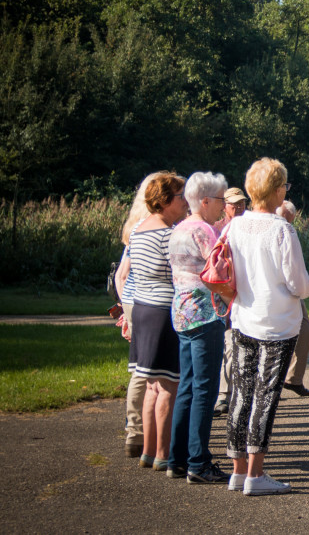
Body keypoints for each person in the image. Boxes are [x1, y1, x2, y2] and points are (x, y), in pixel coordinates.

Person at [225, 158, 309, 496]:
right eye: (285, 187)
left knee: (241, 392)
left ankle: (238, 470)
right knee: (265, 395)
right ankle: (256, 474)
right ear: (277, 190)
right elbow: (299, 284)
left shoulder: (235, 226)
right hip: (277, 323)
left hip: (243, 317)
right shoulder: (281, 229)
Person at [166, 172, 230, 483]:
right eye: (220, 200)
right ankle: (198, 461)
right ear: (204, 201)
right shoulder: (205, 231)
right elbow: (218, 273)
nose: (223, 206)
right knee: (205, 390)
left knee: (188, 387)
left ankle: (176, 458)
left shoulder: (178, 229)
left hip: (181, 313)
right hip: (205, 315)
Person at [128, 172, 189, 471]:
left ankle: (149, 451)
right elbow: (182, 272)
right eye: (181, 196)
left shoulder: (139, 229)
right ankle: (164, 452)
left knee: (152, 385)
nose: (185, 201)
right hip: (163, 311)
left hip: (142, 308)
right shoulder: (168, 234)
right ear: (165, 201)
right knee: (167, 386)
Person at [114, 172, 166, 457]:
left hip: (135, 301)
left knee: (140, 368)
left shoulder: (135, 228)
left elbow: (121, 276)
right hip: (148, 302)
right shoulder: (154, 229)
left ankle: (136, 431)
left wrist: (127, 308)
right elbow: (123, 274)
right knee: (149, 370)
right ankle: (138, 432)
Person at [215, 187, 248, 416]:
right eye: (233, 204)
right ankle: (221, 395)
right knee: (225, 345)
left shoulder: (249, 229)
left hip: (242, 294)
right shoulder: (216, 229)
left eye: (241, 203)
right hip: (220, 295)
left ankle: (228, 395)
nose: (238, 208)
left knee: (234, 346)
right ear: (224, 205)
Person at [276, 200, 309, 398]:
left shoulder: (289, 231)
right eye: (286, 219)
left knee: (305, 330)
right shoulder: (273, 229)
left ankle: (293, 379)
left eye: (291, 221)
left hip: (293, 290)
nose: (288, 223)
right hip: (274, 292)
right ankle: (272, 383)